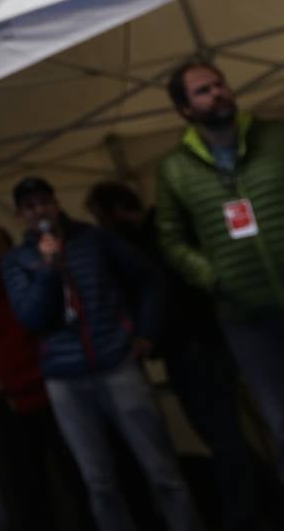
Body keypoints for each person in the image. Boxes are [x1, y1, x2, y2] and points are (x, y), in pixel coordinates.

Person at [2, 176, 203, 531]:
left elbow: (150, 277)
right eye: (30, 206)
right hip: (65, 380)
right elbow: (30, 317)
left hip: (116, 364)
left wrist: (146, 332)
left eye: (44, 202)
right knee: (99, 483)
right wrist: (48, 270)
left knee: (161, 470)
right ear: (20, 215)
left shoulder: (93, 239)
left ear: (56, 204)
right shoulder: (17, 260)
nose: (39, 211)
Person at [86, 179, 265, 531]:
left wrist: (149, 333)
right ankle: (256, 503)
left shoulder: (158, 240)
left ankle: (245, 515)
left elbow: (173, 292)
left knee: (222, 436)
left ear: (117, 211)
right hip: (197, 345)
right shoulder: (159, 236)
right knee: (226, 435)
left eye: (102, 218)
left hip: (196, 346)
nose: (102, 227)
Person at [155, 59, 284, 480]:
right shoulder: (175, 169)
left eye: (219, 84)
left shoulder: (274, 137)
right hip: (246, 318)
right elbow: (171, 239)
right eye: (203, 91)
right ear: (185, 109)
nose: (217, 93)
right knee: (280, 422)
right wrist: (214, 277)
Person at [0, 225, 87, 531]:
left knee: (76, 471)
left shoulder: (32, 285)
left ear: (9, 246)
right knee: (30, 485)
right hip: (15, 403)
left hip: (53, 392)